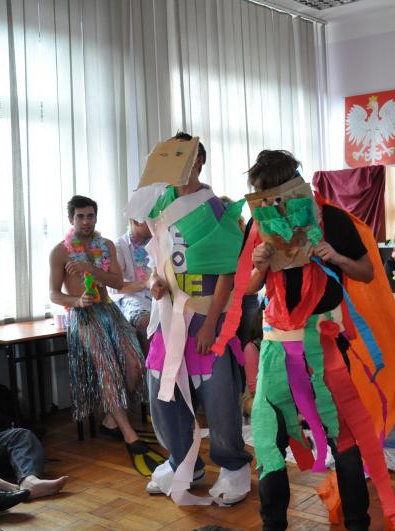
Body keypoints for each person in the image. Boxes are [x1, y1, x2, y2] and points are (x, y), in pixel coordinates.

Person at [217, 149, 395, 530]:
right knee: (269, 439)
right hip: (277, 343)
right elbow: (249, 288)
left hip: (324, 343)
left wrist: (335, 257)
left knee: (344, 437)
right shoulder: (259, 224)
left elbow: (367, 272)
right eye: (265, 197)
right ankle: (273, 524)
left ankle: (357, 523)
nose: (275, 205)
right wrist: (259, 265)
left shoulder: (333, 219)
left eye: (281, 195)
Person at [137, 132, 252, 504]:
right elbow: (155, 260)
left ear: (198, 161)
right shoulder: (160, 204)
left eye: (184, 156)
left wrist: (211, 324)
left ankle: (233, 466)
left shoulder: (212, 207)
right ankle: (182, 462)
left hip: (204, 318)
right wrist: (154, 281)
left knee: (218, 397)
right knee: (162, 394)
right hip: (167, 318)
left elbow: (227, 270)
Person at [49, 195, 162, 475]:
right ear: (71, 219)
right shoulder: (60, 252)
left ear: (96, 217)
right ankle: (130, 437)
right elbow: (53, 294)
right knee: (107, 370)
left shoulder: (106, 245)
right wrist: (76, 302)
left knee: (136, 364)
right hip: (83, 315)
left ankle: (111, 421)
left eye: (90, 216)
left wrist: (90, 269)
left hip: (109, 310)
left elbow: (116, 282)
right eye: (80, 216)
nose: (86, 221)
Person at [110, 218, 153, 355]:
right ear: (136, 221)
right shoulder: (118, 246)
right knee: (146, 322)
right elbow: (114, 287)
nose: (154, 223)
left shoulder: (157, 242)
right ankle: (150, 367)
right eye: (150, 219)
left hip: (157, 296)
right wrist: (145, 284)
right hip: (130, 298)